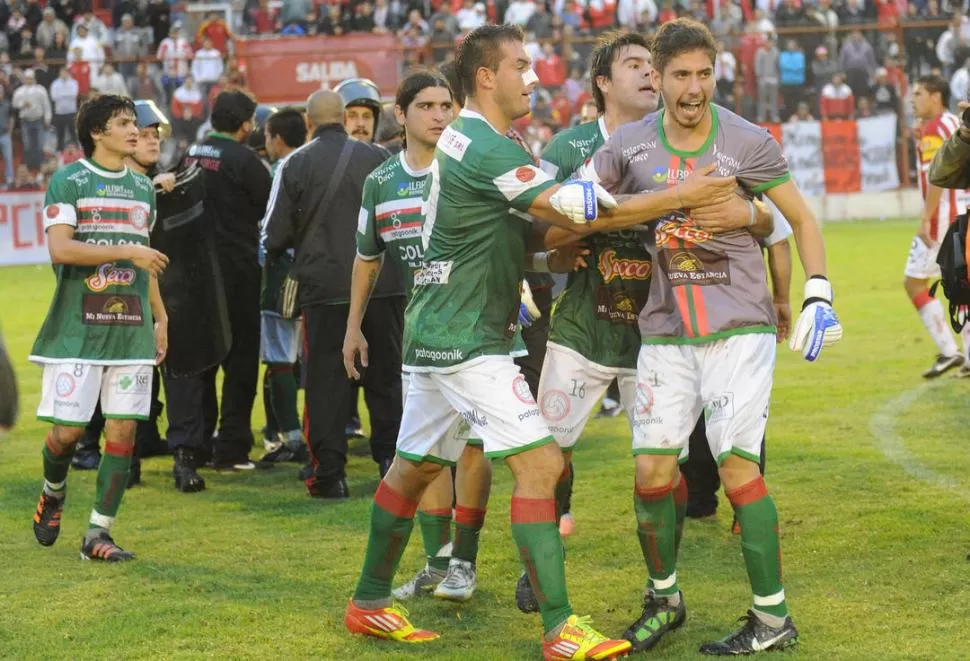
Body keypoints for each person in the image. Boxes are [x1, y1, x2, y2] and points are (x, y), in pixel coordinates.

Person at [342, 23, 738, 656]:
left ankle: (367, 601)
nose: (535, 76)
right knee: (543, 463)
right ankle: (559, 626)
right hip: (464, 335)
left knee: (414, 465)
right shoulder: (480, 144)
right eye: (522, 66)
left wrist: (560, 241)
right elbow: (578, 209)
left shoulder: (493, 141)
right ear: (486, 78)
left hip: (449, 325)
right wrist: (682, 195)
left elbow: (515, 230)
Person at [583, 18, 842, 654]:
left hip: (737, 328)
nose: (693, 87)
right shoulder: (629, 145)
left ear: (715, 72)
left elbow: (801, 221)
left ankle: (773, 618)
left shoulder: (748, 140)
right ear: (658, 77)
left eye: (704, 73)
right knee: (650, 475)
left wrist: (815, 294)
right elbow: (578, 203)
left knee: (736, 470)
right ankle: (664, 598)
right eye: (680, 75)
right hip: (665, 330)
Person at [524, 29, 774, 616]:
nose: (644, 73)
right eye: (631, 64)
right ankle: (547, 550)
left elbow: (769, 222)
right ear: (605, 83)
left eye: (648, 63)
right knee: (549, 452)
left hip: (661, 329)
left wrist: (759, 227)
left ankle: (672, 574)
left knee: (667, 461)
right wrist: (552, 254)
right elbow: (542, 231)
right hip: (587, 325)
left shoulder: (708, 140)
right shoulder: (571, 148)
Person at [345, 70, 493, 602]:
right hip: (423, 335)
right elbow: (367, 259)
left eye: (446, 104)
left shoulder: (471, 165)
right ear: (400, 115)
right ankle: (437, 563)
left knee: (475, 448)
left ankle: (466, 563)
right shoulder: (379, 183)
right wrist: (352, 327)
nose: (439, 114)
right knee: (426, 451)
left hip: (482, 330)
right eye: (427, 105)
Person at [28, 94, 168, 562]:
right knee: (66, 435)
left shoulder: (143, 188)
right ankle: (53, 489)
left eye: (136, 123)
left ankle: (98, 534)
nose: (135, 131)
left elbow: (144, 257)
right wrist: (128, 254)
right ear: (97, 133)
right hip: (78, 329)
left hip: (131, 328)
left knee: (124, 431)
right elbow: (61, 250)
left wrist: (160, 316)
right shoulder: (69, 181)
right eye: (124, 123)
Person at [263, 90, 395, 498]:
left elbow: (274, 235)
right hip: (383, 286)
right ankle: (392, 466)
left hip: (326, 289)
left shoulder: (295, 163)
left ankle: (330, 474)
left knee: (325, 384)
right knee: (387, 380)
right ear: (343, 116)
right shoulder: (379, 159)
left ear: (308, 121)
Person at [164, 90, 271, 482]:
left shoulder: (190, 153)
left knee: (203, 361)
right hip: (237, 273)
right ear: (247, 123)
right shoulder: (247, 161)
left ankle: (200, 444)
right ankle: (232, 448)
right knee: (240, 364)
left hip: (194, 277)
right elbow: (270, 211)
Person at [71, 100, 175, 484]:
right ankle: (85, 445)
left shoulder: (146, 187)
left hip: (138, 295)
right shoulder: (90, 183)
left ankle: (130, 452)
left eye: (152, 135)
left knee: (132, 380)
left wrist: (160, 315)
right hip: (100, 296)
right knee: (101, 376)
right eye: (141, 132)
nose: (149, 141)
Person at [333, 76, 389, 439]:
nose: (359, 122)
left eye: (366, 115)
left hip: (383, 286)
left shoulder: (387, 162)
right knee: (334, 374)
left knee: (385, 374)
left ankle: (389, 450)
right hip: (338, 283)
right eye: (351, 115)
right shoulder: (318, 161)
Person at [905, 75, 970, 378]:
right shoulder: (947, 123)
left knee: (915, 282)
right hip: (957, 212)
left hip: (943, 216)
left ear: (935, 97)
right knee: (962, 283)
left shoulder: (934, 129)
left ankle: (949, 350)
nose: (912, 99)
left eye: (918, 93)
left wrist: (926, 218)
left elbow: (936, 177)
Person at [257, 108, 309, 465]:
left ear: (276, 138)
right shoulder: (314, 164)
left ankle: (291, 437)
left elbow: (271, 232)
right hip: (320, 272)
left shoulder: (281, 171)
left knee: (279, 358)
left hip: (283, 273)